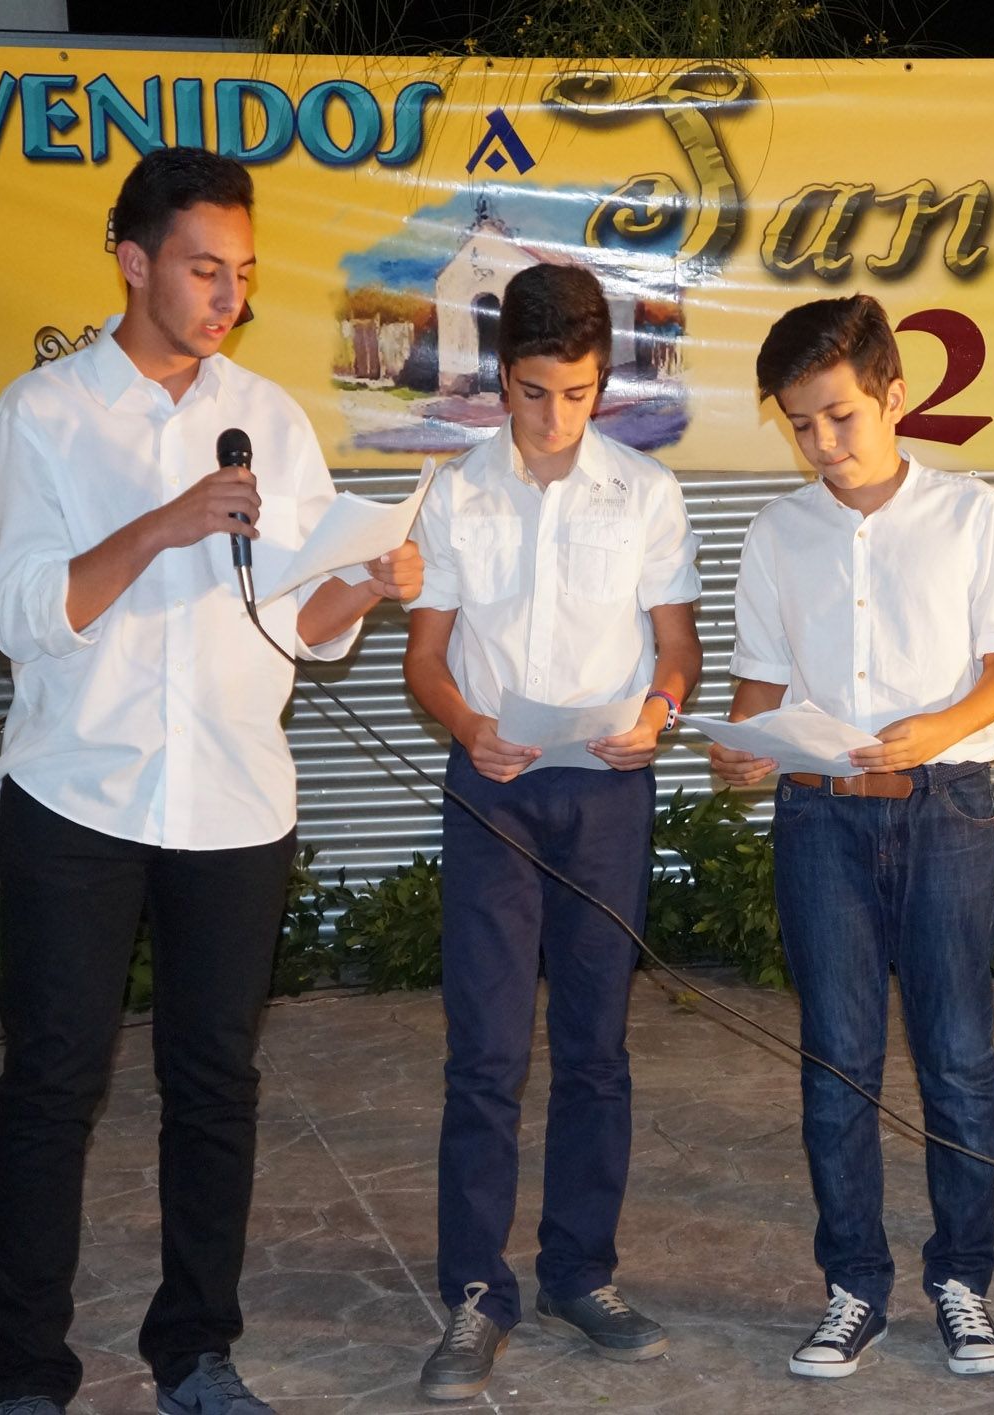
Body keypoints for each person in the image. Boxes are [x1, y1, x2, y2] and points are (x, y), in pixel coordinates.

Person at [0, 147, 421, 1415]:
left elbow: (298, 616)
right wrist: (162, 521)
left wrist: (370, 582)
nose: (226, 294)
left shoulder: (271, 417)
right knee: (56, 1081)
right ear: (132, 260)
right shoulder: (42, 414)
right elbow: (26, 615)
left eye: (242, 273)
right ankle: (26, 1373)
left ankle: (196, 1350)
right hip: (79, 794)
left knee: (215, 1083)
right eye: (202, 267)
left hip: (233, 796)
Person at [709, 293, 994, 1381]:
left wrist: (939, 725)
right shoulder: (775, 531)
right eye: (801, 424)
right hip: (816, 823)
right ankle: (853, 1284)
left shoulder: (968, 510)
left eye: (841, 416)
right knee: (835, 1060)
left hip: (944, 812)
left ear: (896, 395)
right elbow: (759, 674)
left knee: (953, 1056)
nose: (823, 445)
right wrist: (742, 744)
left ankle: (961, 1278)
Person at [401, 262, 702, 1402]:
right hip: (492, 788)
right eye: (533, 393)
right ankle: (476, 1291)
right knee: (482, 1051)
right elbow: (422, 658)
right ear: (499, 380)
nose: (555, 417)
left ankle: (582, 1271)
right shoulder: (454, 491)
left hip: (606, 791)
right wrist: (472, 727)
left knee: (594, 1049)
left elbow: (676, 649)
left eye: (576, 393)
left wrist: (658, 717)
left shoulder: (644, 491)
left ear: (601, 379)